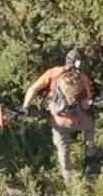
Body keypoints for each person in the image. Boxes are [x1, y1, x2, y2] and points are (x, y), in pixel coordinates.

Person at [22, 48, 97, 183]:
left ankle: (69, 181)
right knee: (90, 127)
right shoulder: (83, 77)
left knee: (63, 150)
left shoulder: (54, 73)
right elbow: (86, 105)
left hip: (59, 122)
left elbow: (33, 89)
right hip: (79, 120)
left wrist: (25, 107)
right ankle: (90, 161)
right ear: (80, 63)